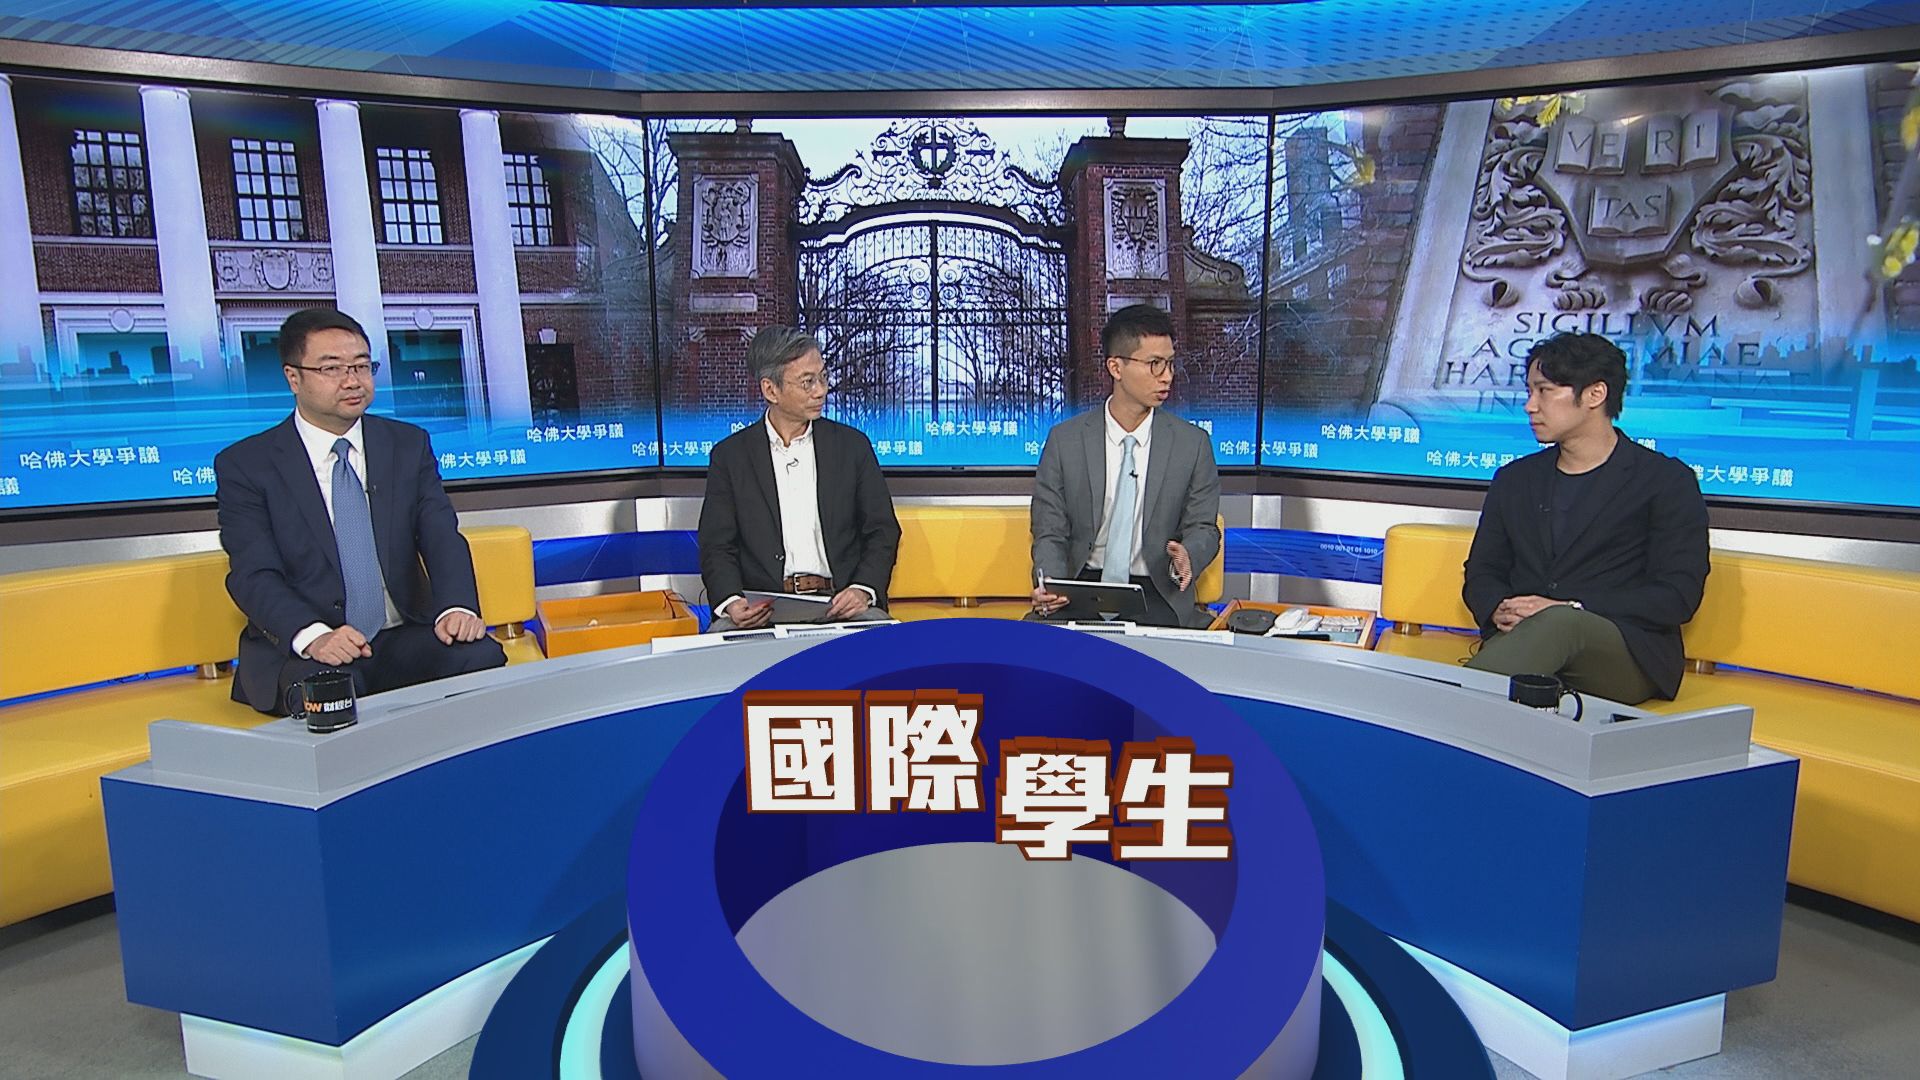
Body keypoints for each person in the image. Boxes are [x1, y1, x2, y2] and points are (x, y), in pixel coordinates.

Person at [215, 308, 506, 715]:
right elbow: (253, 573)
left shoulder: (407, 444)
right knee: (331, 692)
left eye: (361, 366)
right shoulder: (248, 465)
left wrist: (457, 607)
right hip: (311, 646)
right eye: (332, 368)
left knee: (481, 657)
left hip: (402, 634)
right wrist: (314, 636)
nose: (352, 381)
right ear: (293, 378)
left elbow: (441, 535)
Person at [1462, 332, 1709, 704]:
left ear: (1595, 394)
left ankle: (1440, 714)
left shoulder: (1665, 481)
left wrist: (1571, 607)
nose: (1530, 406)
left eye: (1545, 391)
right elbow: (1482, 570)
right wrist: (1498, 607)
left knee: (1561, 624)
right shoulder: (1515, 479)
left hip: (1626, 654)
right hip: (1524, 644)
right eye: (1529, 391)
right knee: (1549, 630)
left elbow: (1676, 596)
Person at [1029, 303, 1221, 628]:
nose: (1167, 376)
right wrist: (1051, 584)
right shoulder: (1065, 441)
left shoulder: (1192, 445)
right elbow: (1049, 530)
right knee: (1027, 649)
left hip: (1157, 590)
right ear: (1116, 368)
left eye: (1170, 364)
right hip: (1081, 587)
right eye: (1154, 364)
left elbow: (1204, 527)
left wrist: (1188, 556)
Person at [698, 326, 900, 631]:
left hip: (840, 605)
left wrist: (862, 589)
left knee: (888, 640)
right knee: (719, 638)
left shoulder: (852, 447)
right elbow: (716, 545)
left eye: (823, 377)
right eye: (807, 382)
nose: (820, 391)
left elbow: (882, 530)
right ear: (771, 390)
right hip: (763, 611)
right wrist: (732, 601)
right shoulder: (731, 457)